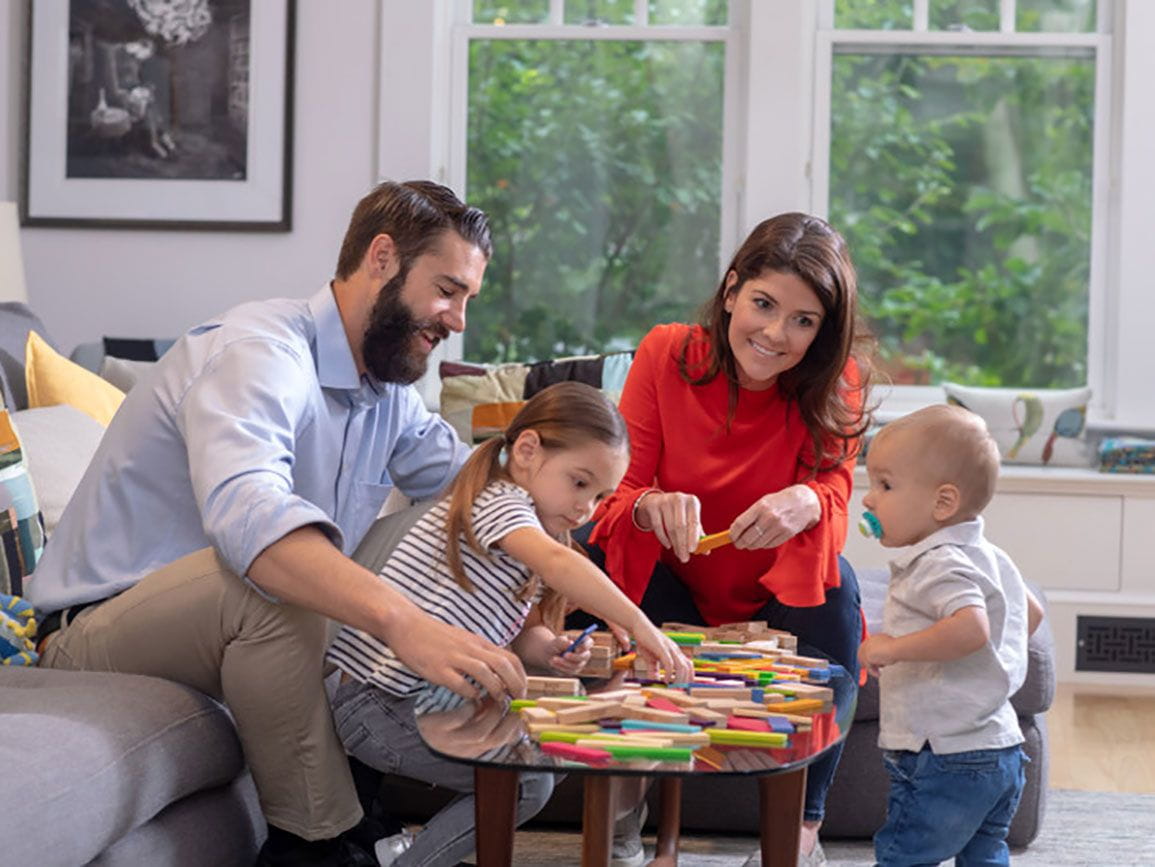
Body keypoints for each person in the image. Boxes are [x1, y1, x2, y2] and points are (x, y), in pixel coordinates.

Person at [27, 180, 530, 866]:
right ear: (381, 257)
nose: (458, 319)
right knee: (271, 579)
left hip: (230, 640)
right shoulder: (259, 351)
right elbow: (250, 517)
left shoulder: (383, 391)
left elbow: (476, 490)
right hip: (99, 634)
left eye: (466, 297)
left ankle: (365, 807)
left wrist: (611, 511)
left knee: (414, 541)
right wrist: (404, 623)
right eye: (447, 289)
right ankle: (318, 845)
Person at [575, 212, 873, 866]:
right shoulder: (665, 352)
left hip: (776, 597)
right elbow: (612, 497)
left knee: (838, 584)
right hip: (672, 587)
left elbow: (836, 494)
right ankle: (625, 797)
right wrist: (650, 504)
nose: (774, 333)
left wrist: (809, 496)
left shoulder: (837, 380)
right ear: (732, 289)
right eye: (763, 304)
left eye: (802, 320)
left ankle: (799, 830)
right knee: (596, 553)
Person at [326, 381, 694, 866]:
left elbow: (517, 634)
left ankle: (415, 855)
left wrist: (548, 649)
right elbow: (561, 567)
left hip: (418, 701)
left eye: (601, 495)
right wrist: (637, 622)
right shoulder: (496, 500)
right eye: (579, 482)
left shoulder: (531, 528)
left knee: (553, 751)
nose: (587, 507)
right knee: (527, 783)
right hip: (377, 705)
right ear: (526, 451)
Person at [858, 405, 1045, 867]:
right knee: (985, 853)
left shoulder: (937, 562)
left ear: (943, 503)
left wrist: (894, 648)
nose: (868, 499)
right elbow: (1030, 613)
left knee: (906, 855)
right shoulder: (991, 555)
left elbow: (971, 627)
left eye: (884, 485)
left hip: (944, 754)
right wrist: (983, 673)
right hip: (998, 749)